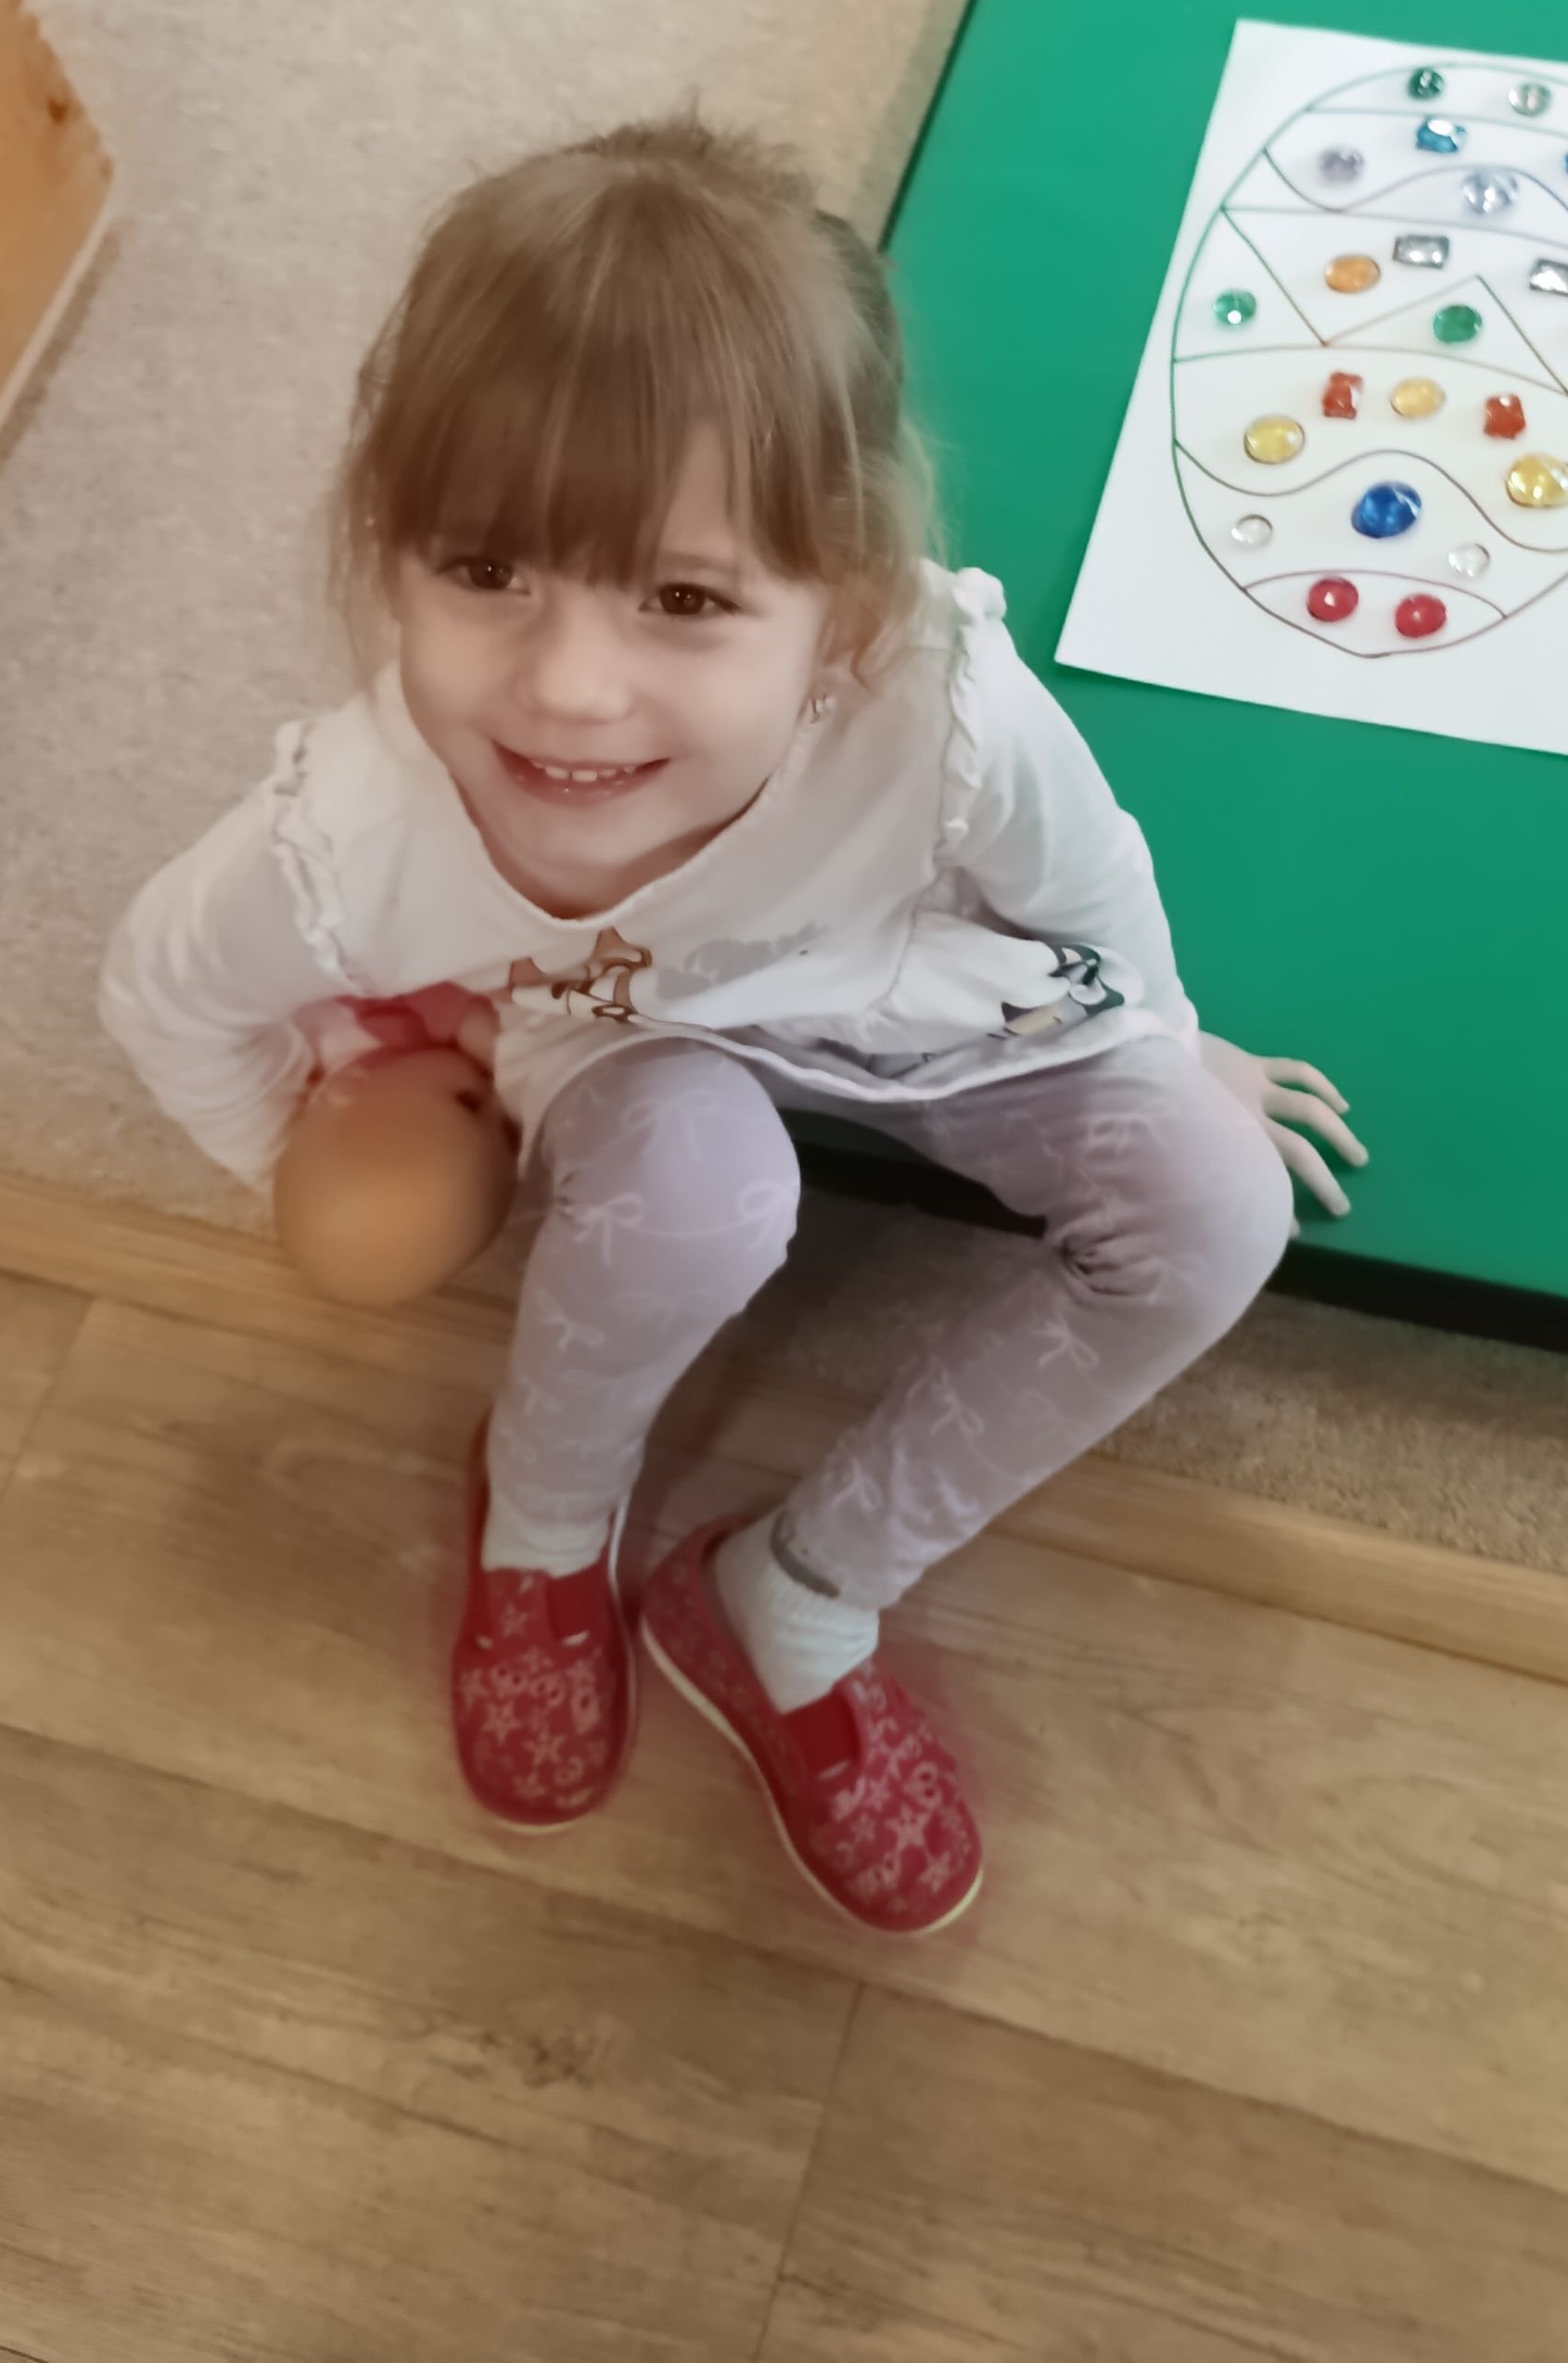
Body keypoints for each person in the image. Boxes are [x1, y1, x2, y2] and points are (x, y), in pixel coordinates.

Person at [98, 106, 1366, 1938]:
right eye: (484, 571)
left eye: (684, 598)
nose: (569, 688)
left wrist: (1163, 1038)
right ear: (389, 546)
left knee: (1217, 1204)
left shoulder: (940, 706)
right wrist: (325, 1127)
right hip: (637, 1038)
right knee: (697, 1195)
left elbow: (1092, 879)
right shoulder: (355, 836)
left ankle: (794, 1591)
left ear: (842, 605)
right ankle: (544, 1528)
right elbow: (164, 990)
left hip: (922, 990)